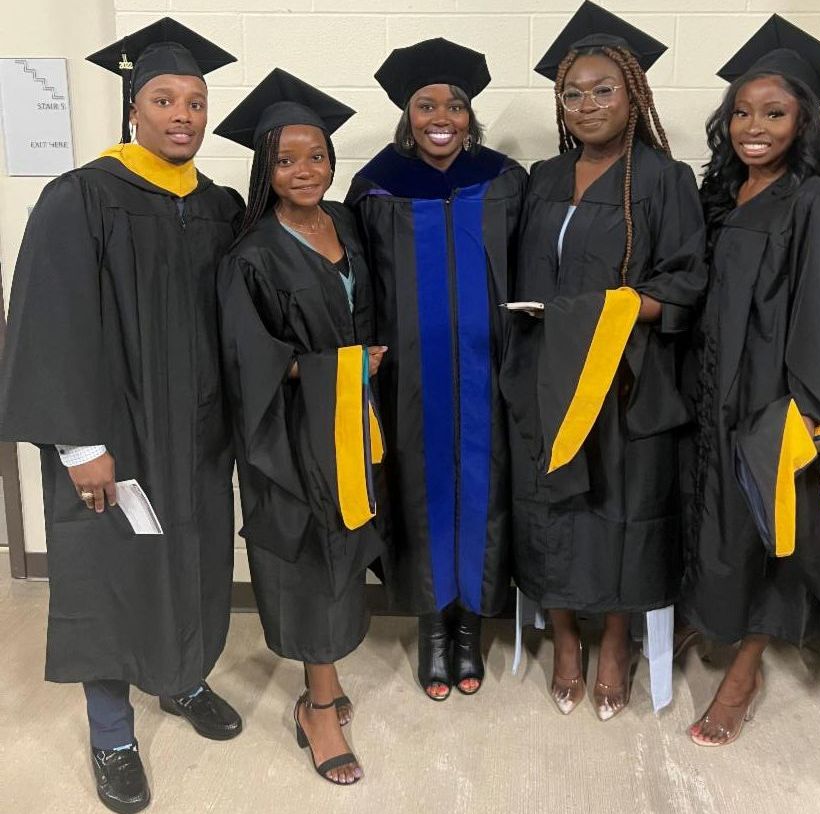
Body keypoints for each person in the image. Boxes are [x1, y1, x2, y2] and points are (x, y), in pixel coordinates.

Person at [0, 18, 245, 814]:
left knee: (193, 556)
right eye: (164, 99)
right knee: (110, 571)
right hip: (117, 432)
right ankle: (112, 736)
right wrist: (79, 445)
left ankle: (181, 678)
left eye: (196, 102)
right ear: (133, 108)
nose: (183, 115)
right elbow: (50, 321)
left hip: (198, 433)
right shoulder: (82, 196)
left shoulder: (218, 205)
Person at [681, 15, 820, 746]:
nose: (754, 128)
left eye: (774, 114)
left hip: (771, 395)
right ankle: (708, 616)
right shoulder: (722, 194)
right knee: (710, 512)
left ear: (803, 121)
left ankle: (744, 670)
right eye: (742, 112)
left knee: (767, 525)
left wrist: (810, 408)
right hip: (708, 384)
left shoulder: (814, 204)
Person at [501, 2, 707, 720]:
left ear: (633, 95)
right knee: (547, 504)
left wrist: (603, 312)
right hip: (542, 372)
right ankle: (564, 637)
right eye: (573, 93)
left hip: (624, 379)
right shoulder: (542, 177)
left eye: (603, 90)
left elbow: (686, 282)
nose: (587, 104)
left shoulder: (664, 179)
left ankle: (614, 641)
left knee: (620, 508)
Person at [215, 68, 385, 786]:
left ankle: (328, 679)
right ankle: (318, 708)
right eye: (286, 160)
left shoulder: (344, 222)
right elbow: (248, 359)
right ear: (266, 170)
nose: (304, 170)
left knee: (345, 543)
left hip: (349, 420)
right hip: (289, 432)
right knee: (311, 554)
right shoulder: (252, 253)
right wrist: (343, 366)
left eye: (316, 155)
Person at [346, 38, 527, 702]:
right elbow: (361, 285)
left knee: (484, 490)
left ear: (470, 113)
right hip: (411, 381)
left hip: (487, 375)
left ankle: (469, 627)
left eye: (455, 104)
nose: (441, 117)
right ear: (408, 113)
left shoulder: (504, 180)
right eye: (426, 105)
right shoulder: (376, 188)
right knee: (421, 494)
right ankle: (432, 629)